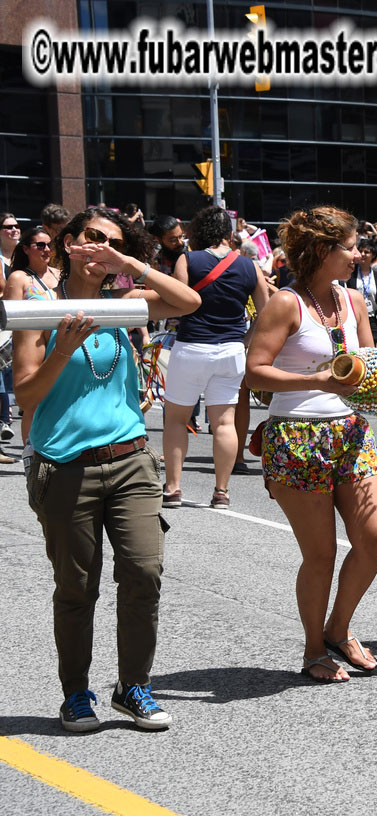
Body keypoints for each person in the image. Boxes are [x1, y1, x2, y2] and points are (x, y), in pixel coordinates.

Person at [13, 206, 201, 730]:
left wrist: (129, 262)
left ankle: (133, 686)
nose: (100, 247)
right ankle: (76, 693)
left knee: (144, 572)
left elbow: (190, 301)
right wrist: (61, 349)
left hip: (130, 461)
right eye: (92, 237)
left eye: (112, 241)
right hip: (66, 465)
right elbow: (26, 396)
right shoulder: (38, 308)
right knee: (77, 587)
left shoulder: (127, 302)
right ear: (68, 242)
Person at [245, 205, 377, 683]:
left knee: (374, 537)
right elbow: (255, 371)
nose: (357, 254)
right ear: (323, 250)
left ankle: (338, 627)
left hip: (350, 431)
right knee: (321, 552)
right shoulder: (286, 303)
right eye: (349, 247)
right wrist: (320, 381)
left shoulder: (353, 300)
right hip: (297, 435)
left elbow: (368, 360)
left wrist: (374, 377)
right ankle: (313, 649)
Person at [160, 207, 266, 509]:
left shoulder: (188, 259)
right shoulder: (249, 266)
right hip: (231, 350)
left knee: (177, 420)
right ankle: (222, 491)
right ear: (229, 233)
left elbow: (178, 302)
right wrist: (246, 338)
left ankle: (173, 488)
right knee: (224, 423)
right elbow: (265, 309)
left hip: (192, 346)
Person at [4, 226, 62, 452]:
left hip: (60, 344)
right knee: (34, 403)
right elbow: (11, 318)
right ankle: (31, 452)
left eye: (49, 245)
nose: (46, 249)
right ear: (26, 249)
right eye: (40, 245)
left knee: (60, 397)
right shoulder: (19, 277)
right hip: (31, 349)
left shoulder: (59, 274)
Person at [348, 237, 377, 350]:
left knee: (370, 350)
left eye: (367, 252)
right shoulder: (351, 272)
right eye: (361, 251)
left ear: (373, 255)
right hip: (353, 318)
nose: (363, 254)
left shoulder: (376, 275)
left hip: (371, 319)